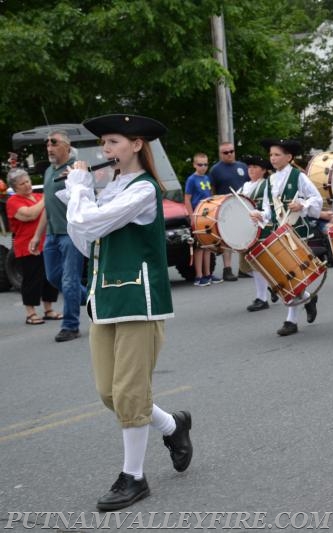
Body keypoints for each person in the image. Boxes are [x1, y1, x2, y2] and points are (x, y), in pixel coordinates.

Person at [62, 114, 193, 510]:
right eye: (104, 143)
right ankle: (173, 425)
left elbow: (90, 221)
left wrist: (81, 192)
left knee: (130, 392)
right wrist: (80, 194)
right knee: (110, 393)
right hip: (105, 299)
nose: (106, 150)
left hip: (140, 299)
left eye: (114, 142)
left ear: (136, 145)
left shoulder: (143, 191)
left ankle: (133, 477)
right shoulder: (114, 188)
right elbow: (84, 238)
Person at [259, 138, 323, 336]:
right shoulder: (269, 181)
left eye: (277, 155)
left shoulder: (298, 177)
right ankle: (308, 298)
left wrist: (302, 204)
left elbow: (317, 199)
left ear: (289, 157)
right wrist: (258, 216)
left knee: (292, 276)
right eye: (271, 155)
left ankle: (291, 320)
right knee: (285, 277)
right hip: (278, 233)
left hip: (297, 232)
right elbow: (267, 212)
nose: (273, 158)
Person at [28, 129, 85, 342]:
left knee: (70, 281)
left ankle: (70, 326)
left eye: (54, 143)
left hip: (71, 235)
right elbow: (48, 206)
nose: (49, 147)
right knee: (53, 277)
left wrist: (78, 178)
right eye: (47, 144)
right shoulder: (49, 172)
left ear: (67, 147)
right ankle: (91, 300)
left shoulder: (75, 169)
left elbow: (86, 197)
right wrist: (37, 236)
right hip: (52, 235)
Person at [5, 168, 60, 324]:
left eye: (28, 181)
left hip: (47, 243)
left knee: (49, 277)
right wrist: (47, 197)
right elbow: (30, 214)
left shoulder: (38, 196)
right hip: (27, 246)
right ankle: (31, 313)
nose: (27, 185)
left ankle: (48, 309)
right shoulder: (13, 201)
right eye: (22, 183)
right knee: (32, 279)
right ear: (15, 187)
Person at [209, 141, 248, 279]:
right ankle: (227, 269)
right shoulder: (215, 170)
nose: (230, 154)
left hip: (242, 207)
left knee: (245, 236)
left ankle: (243, 268)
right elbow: (212, 191)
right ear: (221, 154)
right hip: (225, 208)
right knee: (227, 239)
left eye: (232, 151)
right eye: (226, 152)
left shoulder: (243, 167)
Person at [240, 154, 273, 312]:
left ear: (264, 170)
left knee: (258, 264)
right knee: (246, 266)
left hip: (262, 229)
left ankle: (262, 297)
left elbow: (269, 208)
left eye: (255, 167)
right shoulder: (244, 187)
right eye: (249, 167)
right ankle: (270, 285)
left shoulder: (266, 185)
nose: (251, 170)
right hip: (247, 231)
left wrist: (260, 214)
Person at [184, 152, 222, 286]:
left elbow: (209, 195)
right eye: (200, 164)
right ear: (194, 165)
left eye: (206, 164)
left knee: (207, 246)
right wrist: (191, 216)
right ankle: (199, 276)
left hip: (207, 215)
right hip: (197, 216)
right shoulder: (191, 179)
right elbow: (187, 199)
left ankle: (208, 274)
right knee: (199, 247)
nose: (203, 167)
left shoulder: (206, 178)